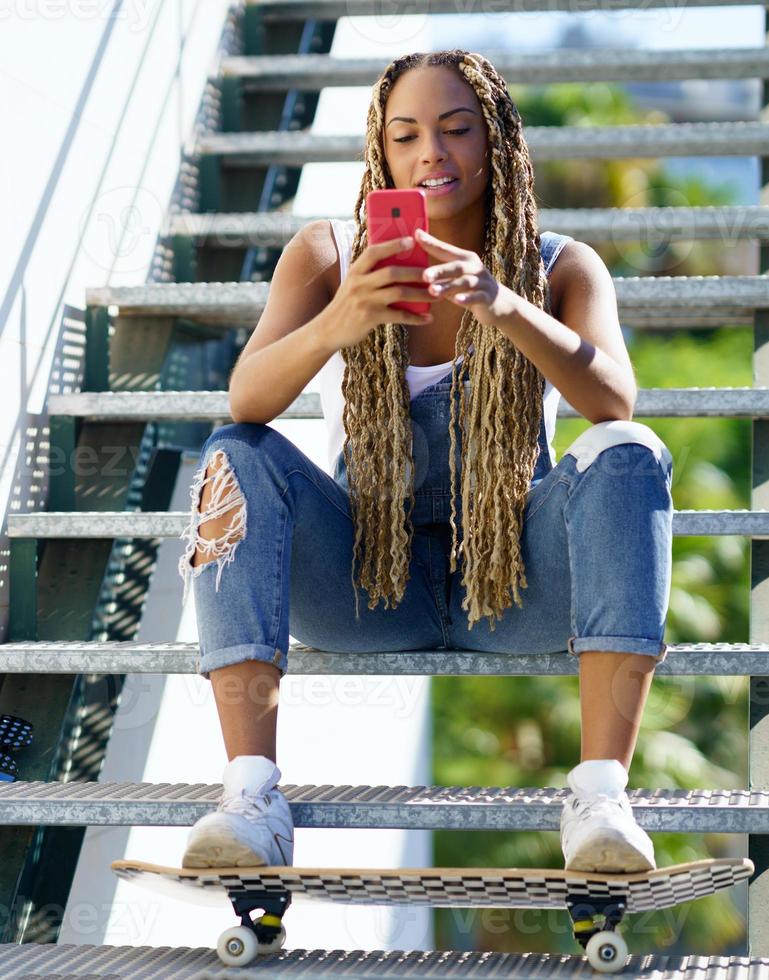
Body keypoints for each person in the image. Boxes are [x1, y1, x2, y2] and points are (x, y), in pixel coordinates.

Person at [174, 50, 675, 875]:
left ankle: (600, 797)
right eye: (406, 135)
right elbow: (247, 400)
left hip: (515, 583)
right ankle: (251, 796)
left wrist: (504, 304)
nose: (431, 154)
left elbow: (613, 399)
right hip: (367, 581)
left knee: (629, 453)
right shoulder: (328, 255)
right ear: (382, 151)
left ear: (498, 142)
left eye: (455, 130)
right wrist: (342, 320)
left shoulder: (559, 267)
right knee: (236, 456)